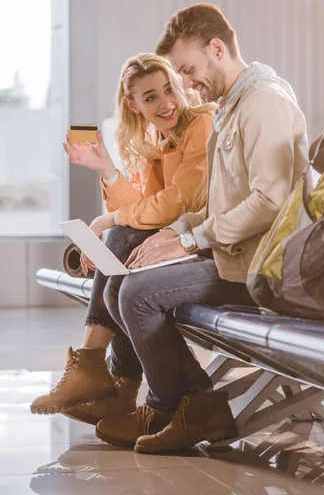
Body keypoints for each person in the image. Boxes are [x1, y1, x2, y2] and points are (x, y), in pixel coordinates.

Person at [95, 3, 309, 452]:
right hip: (231, 258)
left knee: (137, 294)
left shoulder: (264, 101)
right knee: (120, 284)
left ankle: (167, 406)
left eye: (188, 69)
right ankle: (197, 408)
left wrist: (191, 238)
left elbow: (271, 203)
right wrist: (173, 234)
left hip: (261, 270)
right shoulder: (230, 108)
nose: (186, 83)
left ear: (217, 48)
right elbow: (218, 201)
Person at [30, 53, 215, 424]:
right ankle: (116, 386)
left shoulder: (202, 124)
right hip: (167, 246)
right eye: (150, 98)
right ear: (133, 104)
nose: (165, 103)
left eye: (169, 90)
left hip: (203, 245)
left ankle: (96, 367)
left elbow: (178, 203)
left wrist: (108, 219)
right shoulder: (154, 138)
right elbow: (145, 210)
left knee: (123, 246)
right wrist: (107, 170)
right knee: (123, 253)